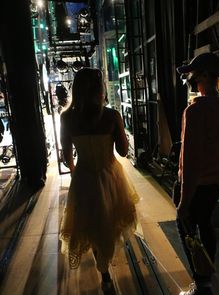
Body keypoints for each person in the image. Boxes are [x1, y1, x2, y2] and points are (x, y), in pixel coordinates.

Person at [59, 67, 139, 292]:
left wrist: (78, 173)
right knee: (111, 222)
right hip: (111, 176)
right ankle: (106, 263)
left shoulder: (67, 118)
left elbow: (67, 157)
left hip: (84, 177)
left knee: (92, 224)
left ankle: (104, 274)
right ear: (100, 89)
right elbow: (123, 151)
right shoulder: (111, 116)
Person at [176, 52, 219, 295]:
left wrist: (183, 201)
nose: (191, 79)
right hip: (218, 181)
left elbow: (190, 161)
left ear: (204, 77)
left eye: (193, 74)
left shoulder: (195, 111)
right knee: (207, 227)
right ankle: (206, 282)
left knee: (187, 227)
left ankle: (201, 284)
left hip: (197, 184)